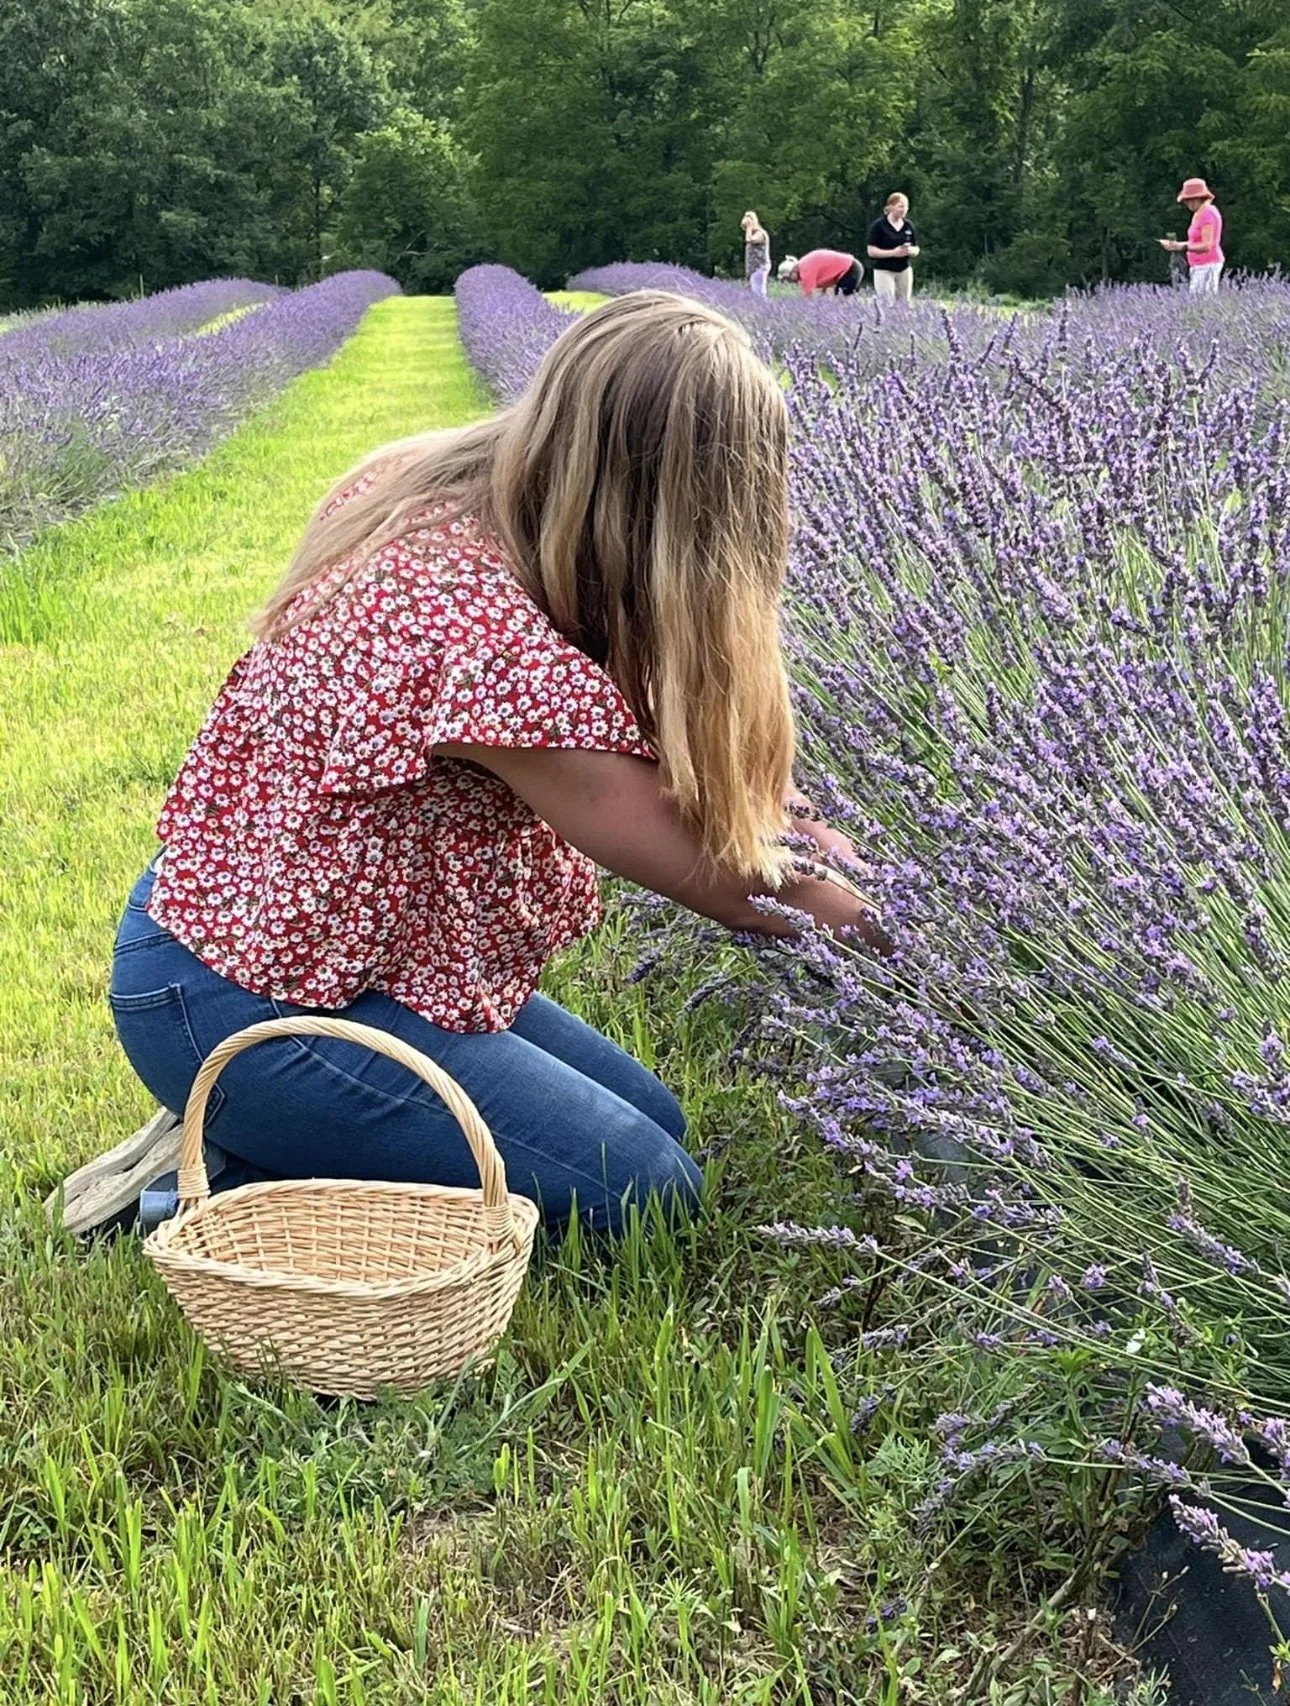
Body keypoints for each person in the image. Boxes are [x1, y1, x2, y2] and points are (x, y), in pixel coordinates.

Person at [72, 292, 885, 1242]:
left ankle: (279, 1134)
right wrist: (933, 946)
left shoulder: (425, 485)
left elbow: (705, 775)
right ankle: (223, 1181)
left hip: (308, 948)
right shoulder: (485, 642)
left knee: (653, 1130)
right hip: (245, 996)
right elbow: (743, 889)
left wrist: (841, 845)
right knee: (647, 1194)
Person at [1159, 178, 1224, 295]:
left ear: (1199, 198)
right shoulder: (1199, 214)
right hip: (1198, 265)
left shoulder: (1208, 214)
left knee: (1202, 302)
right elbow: (1195, 241)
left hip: (1207, 264)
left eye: (1189, 200)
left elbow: (1206, 245)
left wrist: (1182, 247)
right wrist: (1175, 245)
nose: (1187, 203)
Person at [867, 193, 920, 303]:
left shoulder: (908, 226)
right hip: (884, 270)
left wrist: (911, 251)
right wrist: (893, 252)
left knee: (904, 304)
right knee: (887, 303)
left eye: (906, 207)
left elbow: (916, 248)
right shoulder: (879, 226)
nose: (904, 209)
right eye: (901, 206)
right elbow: (871, 251)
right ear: (891, 207)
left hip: (904, 269)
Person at [777, 250, 863, 298]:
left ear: (793, 271)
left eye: (788, 279)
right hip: (852, 267)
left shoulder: (805, 271)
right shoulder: (804, 264)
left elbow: (807, 297)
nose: (790, 282)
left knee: (842, 303)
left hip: (850, 269)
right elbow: (823, 287)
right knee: (840, 302)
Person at [742, 210, 771, 298]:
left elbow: (749, 240)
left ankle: (764, 310)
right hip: (752, 270)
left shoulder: (760, 234)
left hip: (759, 267)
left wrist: (749, 227)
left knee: (758, 293)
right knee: (749, 294)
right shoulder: (755, 233)